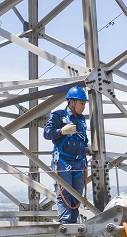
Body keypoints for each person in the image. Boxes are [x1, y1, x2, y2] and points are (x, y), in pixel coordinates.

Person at [43, 86, 89, 223]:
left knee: (77, 194)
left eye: (84, 103)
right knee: (65, 193)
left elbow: (83, 138)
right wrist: (61, 131)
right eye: (81, 103)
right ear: (72, 102)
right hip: (63, 161)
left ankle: (73, 221)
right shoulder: (58, 115)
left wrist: (87, 147)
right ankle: (66, 222)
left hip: (79, 162)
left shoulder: (81, 119)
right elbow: (47, 133)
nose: (83, 107)